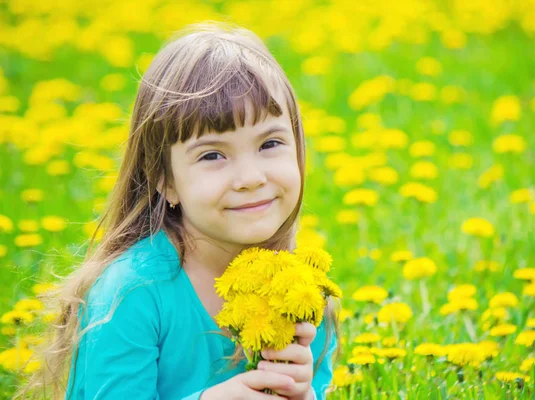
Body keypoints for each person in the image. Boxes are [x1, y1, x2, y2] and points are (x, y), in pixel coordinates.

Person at [17, 21, 338, 400]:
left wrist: (302, 394)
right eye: (213, 154)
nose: (251, 177)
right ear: (164, 179)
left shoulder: (303, 296)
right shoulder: (132, 294)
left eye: (269, 143)